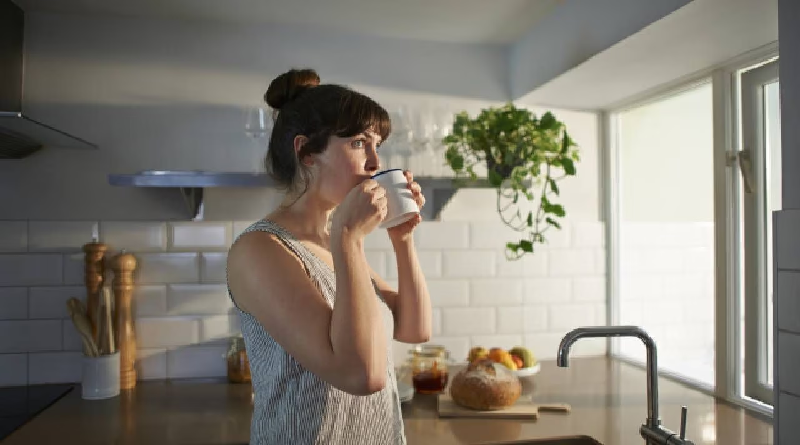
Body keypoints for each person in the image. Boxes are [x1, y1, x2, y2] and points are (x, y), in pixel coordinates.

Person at [226, 68, 432, 445]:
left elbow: (414, 329)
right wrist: (349, 238)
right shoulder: (260, 249)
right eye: (359, 143)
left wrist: (402, 238)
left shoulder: (332, 242)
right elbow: (362, 376)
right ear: (306, 152)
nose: (375, 162)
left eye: (377, 145)